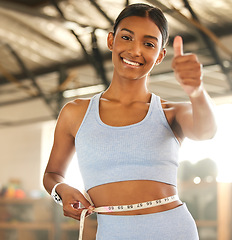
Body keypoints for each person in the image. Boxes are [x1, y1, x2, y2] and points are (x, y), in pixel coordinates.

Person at [43, 3, 217, 240]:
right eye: (127, 38)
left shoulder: (170, 112)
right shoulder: (75, 113)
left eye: (148, 44)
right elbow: (52, 173)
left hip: (172, 231)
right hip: (111, 233)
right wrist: (60, 190)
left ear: (160, 56)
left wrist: (196, 92)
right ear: (111, 41)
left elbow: (205, 131)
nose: (135, 51)